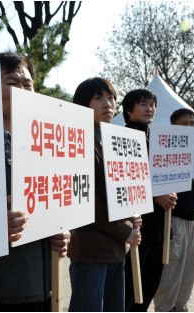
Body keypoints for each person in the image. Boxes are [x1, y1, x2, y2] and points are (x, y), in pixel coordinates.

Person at [0, 52, 71, 312]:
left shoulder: (47, 145)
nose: (23, 91)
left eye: (28, 85)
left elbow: (61, 201)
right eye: (12, 84)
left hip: (45, 284)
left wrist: (65, 232)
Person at [67, 77, 140, 312]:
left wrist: (133, 214)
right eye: (98, 98)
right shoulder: (79, 140)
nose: (107, 104)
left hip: (116, 247)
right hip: (91, 248)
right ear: (82, 105)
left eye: (111, 98)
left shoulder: (114, 140)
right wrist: (124, 230)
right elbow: (86, 200)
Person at [153, 108, 194, 312]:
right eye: (184, 123)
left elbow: (193, 186)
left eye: (192, 123)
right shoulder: (164, 148)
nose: (190, 127)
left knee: (189, 271)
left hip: (193, 219)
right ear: (173, 127)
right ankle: (165, 307)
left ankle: (180, 307)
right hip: (174, 218)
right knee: (171, 270)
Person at [120, 88, 178, 312]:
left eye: (152, 104)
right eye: (143, 104)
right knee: (131, 283)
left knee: (150, 281)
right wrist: (156, 194)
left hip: (158, 225)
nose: (149, 108)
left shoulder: (156, 138)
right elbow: (125, 179)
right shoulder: (124, 138)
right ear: (128, 110)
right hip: (136, 224)